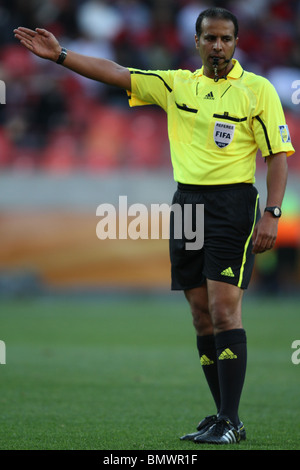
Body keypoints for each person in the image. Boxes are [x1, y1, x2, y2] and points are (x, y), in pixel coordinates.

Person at [14, 7, 294, 445]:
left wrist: (272, 213)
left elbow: (278, 155)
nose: (218, 45)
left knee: (224, 310)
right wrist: (62, 56)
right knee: (201, 316)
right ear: (197, 42)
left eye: (225, 38)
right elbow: (117, 73)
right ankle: (221, 416)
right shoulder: (177, 84)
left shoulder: (258, 91)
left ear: (236, 42)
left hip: (232, 204)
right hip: (186, 203)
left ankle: (232, 420)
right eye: (210, 38)